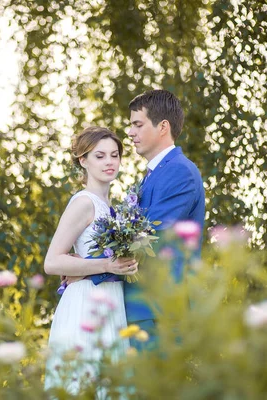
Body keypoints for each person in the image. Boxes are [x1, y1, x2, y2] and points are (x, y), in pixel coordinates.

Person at [43, 126, 138, 394]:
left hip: (111, 302)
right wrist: (106, 266)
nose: (109, 162)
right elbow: (52, 261)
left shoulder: (114, 208)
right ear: (83, 161)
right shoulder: (84, 203)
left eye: (114, 155)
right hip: (86, 303)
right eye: (100, 156)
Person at [124, 89, 206, 350]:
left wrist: (86, 270)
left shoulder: (179, 172)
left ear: (163, 127)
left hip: (160, 311)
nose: (130, 132)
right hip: (146, 308)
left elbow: (146, 238)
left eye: (138, 125)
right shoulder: (154, 174)